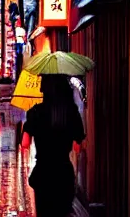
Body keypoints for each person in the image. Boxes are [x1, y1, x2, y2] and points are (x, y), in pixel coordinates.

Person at [21, 75, 85, 217]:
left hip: (43, 173)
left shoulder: (35, 112)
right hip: (64, 174)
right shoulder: (71, 111)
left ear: (43, 89)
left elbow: (25, 144)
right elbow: (77, 147)